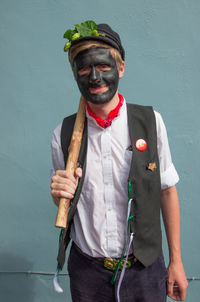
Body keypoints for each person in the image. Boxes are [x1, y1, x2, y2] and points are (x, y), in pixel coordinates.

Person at [50, 21, 188, 302]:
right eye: (85, 70)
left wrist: (176, 261)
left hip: (145, 270)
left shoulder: (151, 122)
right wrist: (60, 193)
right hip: (88, 274)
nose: (94, 78)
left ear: (121, 68)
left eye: (103, 67)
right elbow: (67, 202)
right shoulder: (62, 135)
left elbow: (167, 191)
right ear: (75, 75)